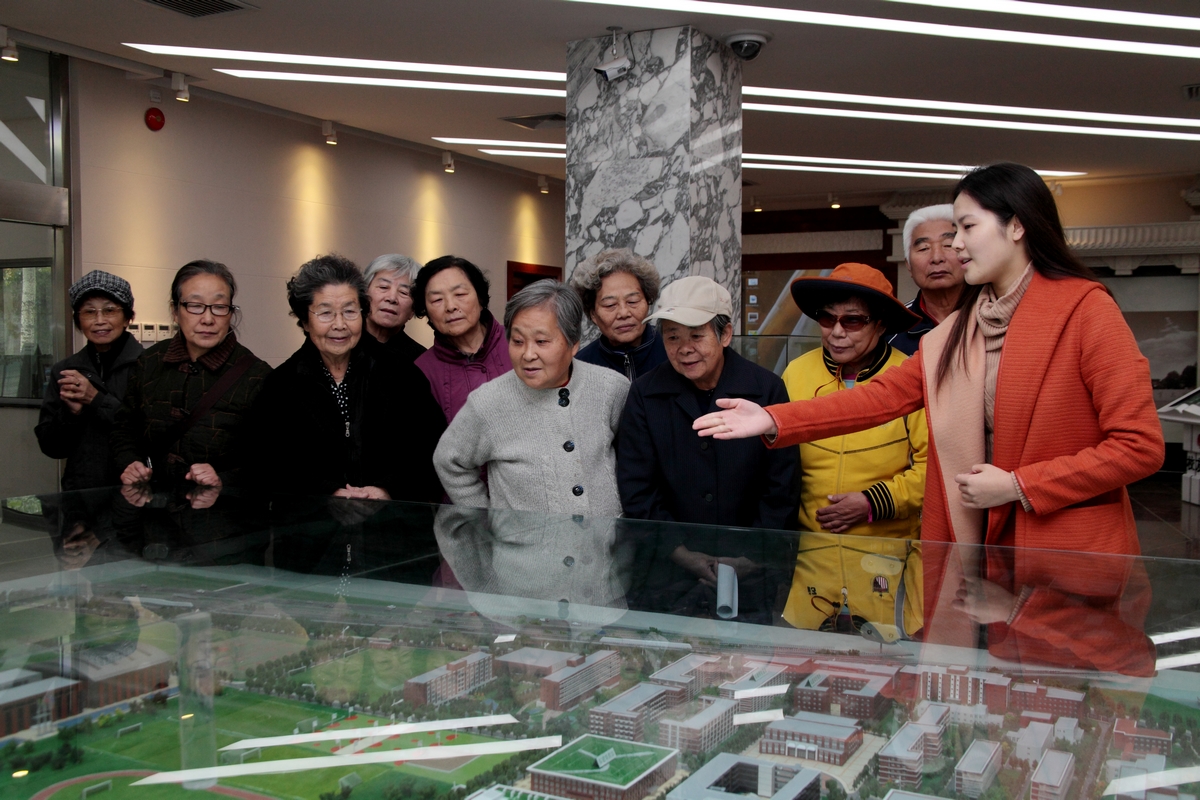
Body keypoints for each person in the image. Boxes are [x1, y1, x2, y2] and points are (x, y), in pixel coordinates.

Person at [694, 163, 1164, 675]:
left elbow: (1139, 446)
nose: (955, 245)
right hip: (977, 554)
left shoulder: (1087, 311)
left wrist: (1018, 486)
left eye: (967, 227)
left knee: (1061, 699)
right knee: (987, 699)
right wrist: (773, 419)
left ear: (1017, 225)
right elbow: (879, 398)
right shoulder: (959, 330)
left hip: (1066, 561)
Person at [616, 276, 798, 621]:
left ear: (725, 334)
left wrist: (749, 556)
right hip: (667, 575)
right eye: (672, 337)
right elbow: (637, 487)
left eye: (696, 336)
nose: (684, 348)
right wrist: (682, 554)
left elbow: (782, 487)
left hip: (750, 575)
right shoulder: (645, 394)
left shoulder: (766, 390)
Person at [777, 263, 928, 635]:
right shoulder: (796, 373)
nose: (837, 332)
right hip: (810, 563)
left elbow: (933, 470)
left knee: (887, 666)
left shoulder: (908, 377)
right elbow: (776, 466)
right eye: (827, 319)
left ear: (881, 324)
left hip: (884, 563)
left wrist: (871, 502)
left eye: (853, 321)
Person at [250, 254, 445, 501]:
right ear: (305, 321)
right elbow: (267, 463)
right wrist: (329, 493)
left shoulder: (401, 373)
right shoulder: (282, 385)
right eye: (325, 313)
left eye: (350, 311)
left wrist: (386, 490)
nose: (340, 324)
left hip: (390, 517)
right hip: (314, 519)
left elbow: (430, 447)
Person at [433, 280, 629, 515]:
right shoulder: (488, 403)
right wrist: (485, 520)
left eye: (541, 341)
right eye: (517, 341)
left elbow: (636, 462)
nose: (527, 354)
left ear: (573, 344)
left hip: (606, 537)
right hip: (522, 539)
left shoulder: (610, 388)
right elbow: (450, 462)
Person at [111, 260, 271, 487]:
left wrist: (224, 479)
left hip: (225, 506)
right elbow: (124, 427)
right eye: (195, 306)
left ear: (230, 313)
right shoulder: (150, 361)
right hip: (154, 504)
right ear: (175, 311)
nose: (208, 319)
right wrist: (130, 462)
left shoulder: (257, 376)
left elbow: (271, 456)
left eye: (219, 307)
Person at [36, 271, 144, 490]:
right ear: (78, 320)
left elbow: (151, 434)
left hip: (135, 491)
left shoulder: (148, 365)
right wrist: (70, 414)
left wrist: (96, 399)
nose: (99, 320)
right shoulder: (65, 371)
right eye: (89, 312)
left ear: (127, 318)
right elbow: (51, 447)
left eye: (110, 310)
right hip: (80, 495)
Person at [413, 255, 512, 423]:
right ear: (426, 311)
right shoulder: (420, 372)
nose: (451, 306)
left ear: (480, 298)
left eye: (460, 294)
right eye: (437, 300)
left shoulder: (520, 343)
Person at [570, 248, 668, 380]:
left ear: (648, 302)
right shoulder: (580, 367)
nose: (624, 313)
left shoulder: (673, 351)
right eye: (610, 305)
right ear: (593, 314)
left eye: (632, 301)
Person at [889, 204, 967, 355]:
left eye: (948, 245)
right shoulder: (893, 330)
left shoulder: (994, 316)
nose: (936, 258)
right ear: (908, 265)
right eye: (924, 248)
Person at [362, 253, 426, 364]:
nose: (392, 298)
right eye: (383, 287)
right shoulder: (342, 342)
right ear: (365, 293)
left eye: (404, 292)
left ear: (413, 310)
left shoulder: (420, 361)